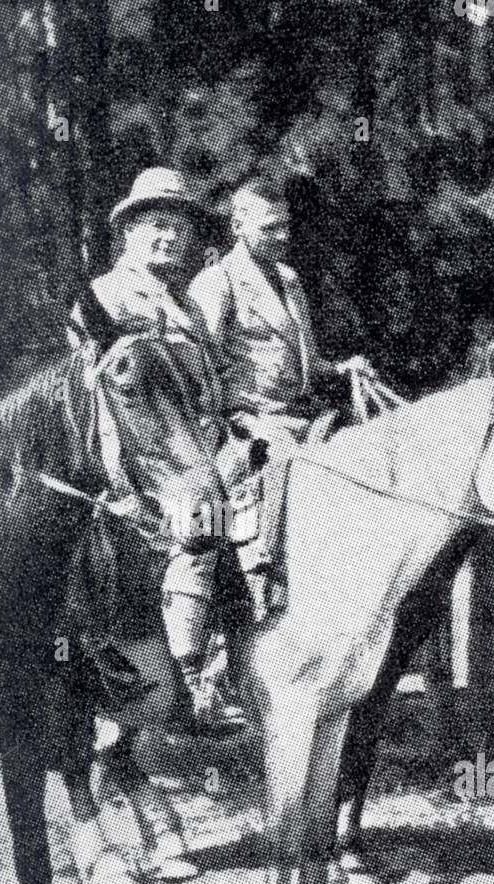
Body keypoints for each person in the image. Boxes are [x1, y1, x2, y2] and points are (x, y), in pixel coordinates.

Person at [65, 167, 243, 734]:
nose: (169, 238)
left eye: (179, 229)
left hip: (192, 445)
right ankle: (189, 685)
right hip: (133, 457)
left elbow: (211, 387)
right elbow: (100, 388)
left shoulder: (188, 307)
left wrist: (236, 432)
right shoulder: (104, 297)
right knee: (205, 525)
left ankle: (241, 667)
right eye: (155, 227)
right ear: (128, 234)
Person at [189, 175, 375, 611]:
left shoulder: (289, 279)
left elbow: (305, 360)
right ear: (238, 226)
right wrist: (231, 417)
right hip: (255, 420)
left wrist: (342, 368)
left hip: (306, 412)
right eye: (270, 228)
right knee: (292, 471)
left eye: (285, 226)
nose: (283, 236)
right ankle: (265, 580)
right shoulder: (218, 284)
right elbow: (198, 365)